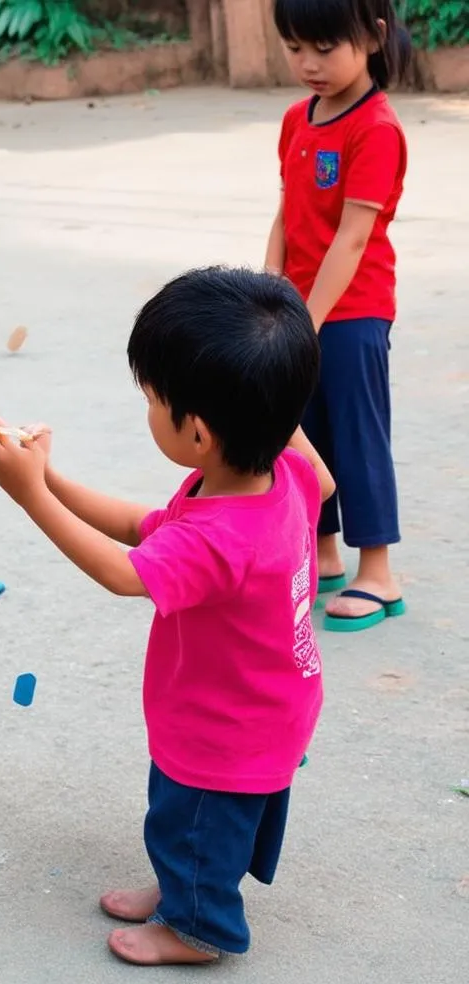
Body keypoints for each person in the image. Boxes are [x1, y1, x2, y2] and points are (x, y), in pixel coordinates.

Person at [0, 267, 334, 965]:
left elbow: (122, 570)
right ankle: (184, 886)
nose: (146, 409)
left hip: (225, 722)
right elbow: (146, 528)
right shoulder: (280, 476)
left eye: (152, 400)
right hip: (265, 699)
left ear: (199, 433)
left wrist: (28, 496)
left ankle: (198, 928)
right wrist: (48, 477)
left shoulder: (219, 539)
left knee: (195, 818)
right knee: (191, 818)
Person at [266, 0, 410, 632]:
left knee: (355, 438)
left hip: (352, 315)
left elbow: (351, 240)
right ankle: (320, 555)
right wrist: (269, 296)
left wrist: (308, 320)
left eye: (325, 47)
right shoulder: (297, 118)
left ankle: (376, 570)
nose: (308, 63)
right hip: (299, 312)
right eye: (296, 47)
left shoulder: (376, 128)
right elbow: (286, 214)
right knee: (300, 434)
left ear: (374, 38)